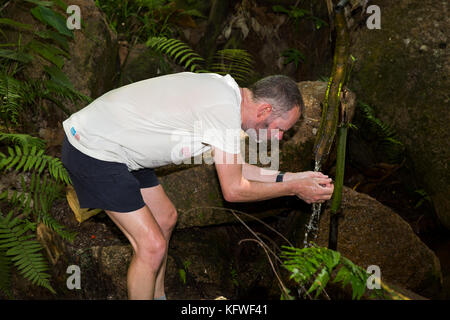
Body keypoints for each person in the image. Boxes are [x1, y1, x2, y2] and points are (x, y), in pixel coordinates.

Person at [61, 72, 334, 300]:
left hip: (123, 147)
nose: (279, 137)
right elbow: (234, 189)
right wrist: (294, 189)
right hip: (94, 148)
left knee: (166, 218)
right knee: (152, 246)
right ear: (264, 110)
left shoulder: (225, 96)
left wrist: (294, 178)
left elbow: (237, 169)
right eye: (280, 128)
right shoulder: (222, 110)